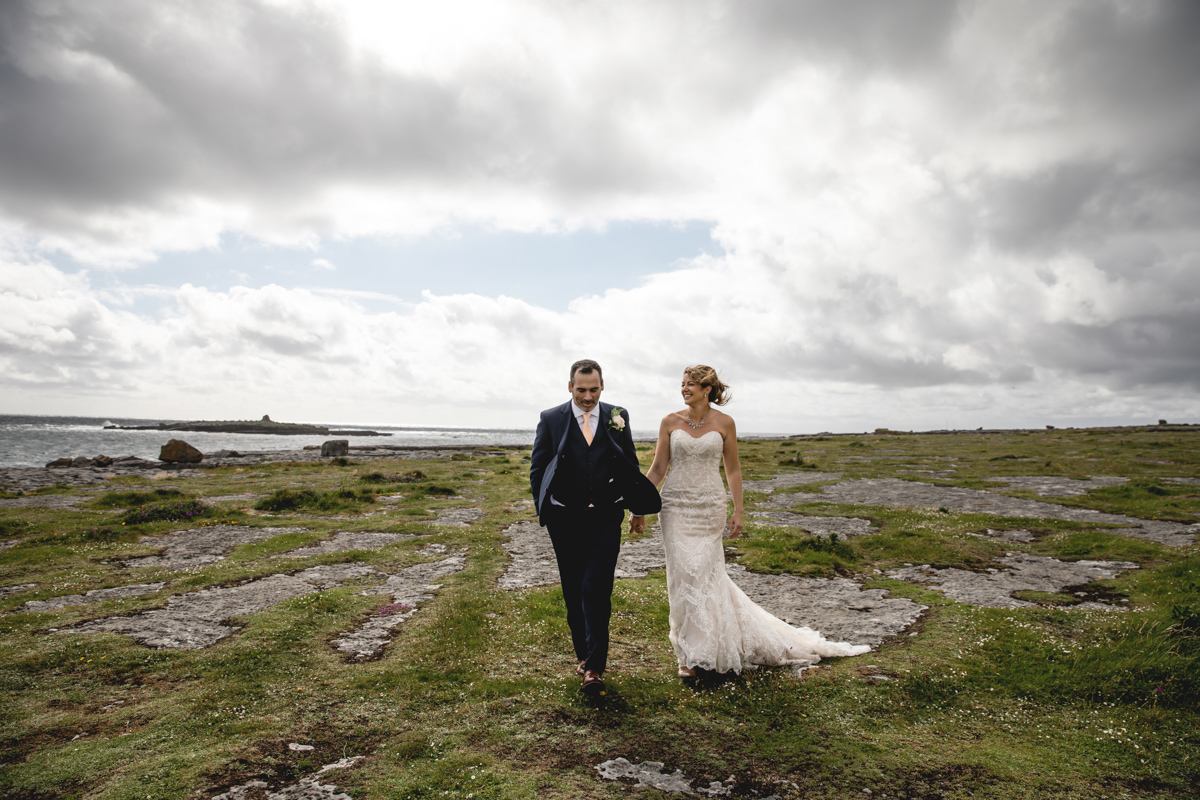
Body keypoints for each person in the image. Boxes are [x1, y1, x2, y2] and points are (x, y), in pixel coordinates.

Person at [645, 365, 870, 677]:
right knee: (682, 576)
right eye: (682, 384)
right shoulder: (670, 421)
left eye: (691, 385)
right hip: (675, 508)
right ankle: (688, 655)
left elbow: (733, 469)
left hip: (708, 506)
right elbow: (658, 468)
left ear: (707, 389)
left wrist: (738, 509)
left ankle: (707, 651)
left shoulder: (725, 423)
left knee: (705, 575)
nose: (684, 389)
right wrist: (638, 504)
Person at [530, 359, 661, 695]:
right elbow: (538, 467)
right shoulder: (550, 419)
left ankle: (594, 669)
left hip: (606, 517)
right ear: (570, 386)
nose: (587, 397)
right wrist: (545, 510)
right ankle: (583, 656)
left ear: (602, 386)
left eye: (593, 389)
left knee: (597, 590)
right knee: (574, 591)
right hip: (564, 520)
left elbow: (629, 461)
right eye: (581, 390)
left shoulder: (618, 415)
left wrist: (637, 508)